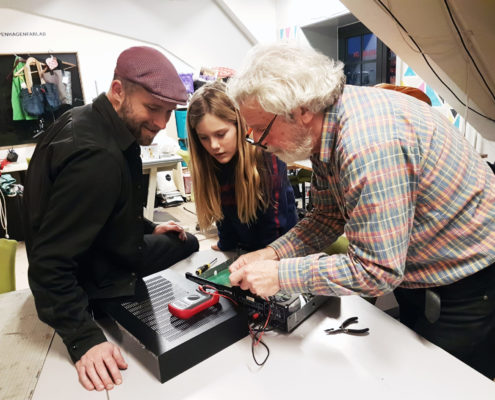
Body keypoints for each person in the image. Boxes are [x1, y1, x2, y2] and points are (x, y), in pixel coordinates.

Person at [226, 42, 495, 379]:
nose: (257, 141)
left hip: (465, 285)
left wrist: (280, 275)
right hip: (420, 278)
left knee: (449, 383)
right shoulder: (329, 126)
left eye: (260, 129)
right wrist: (272, 254)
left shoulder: (368, 145)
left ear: (300, 109)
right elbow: (326, 217)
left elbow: (377, 270)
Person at [23, 46, 199, 391]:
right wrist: (84, 339)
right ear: (118, 91)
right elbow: (49, 263)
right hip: (98, 270)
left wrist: (149, 226)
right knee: (188, 243)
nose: (162, 124)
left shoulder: (87, 120)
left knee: (182, 239)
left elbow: (105, 205)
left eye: (169, 112)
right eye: (152, 108)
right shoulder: (96, 157)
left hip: (105, 244)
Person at [186, 81, 297, 252]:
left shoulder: (267, 155)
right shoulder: (212, 161)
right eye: (204, 138)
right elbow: (223, 215)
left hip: (279, 249)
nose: (214, 146)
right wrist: (226, 246)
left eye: (221, 134)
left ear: (240, 125)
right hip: (244, 248)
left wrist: (261, 259)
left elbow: (274, 227)